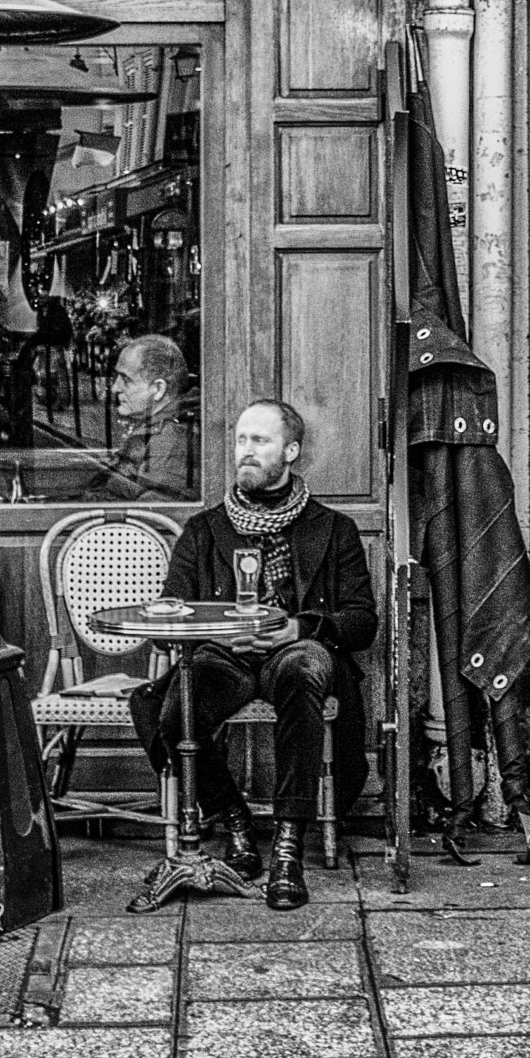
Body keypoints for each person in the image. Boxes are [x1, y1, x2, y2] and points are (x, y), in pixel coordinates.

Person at [129, 399, 377, 910]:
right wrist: (216, 633)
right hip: (228, 656)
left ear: (290, 451)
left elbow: (362, 622)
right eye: (241, 440)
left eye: (259, 441)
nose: (246, 451)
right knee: (177, 712)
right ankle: (236, 822)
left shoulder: (334, 530)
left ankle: (288, 848)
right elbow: (170, 613)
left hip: (295, 652)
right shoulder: (204, 531)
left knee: (306, 668)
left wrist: (296, 628)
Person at [90, 334, 197, 501]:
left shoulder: (168, 441)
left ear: (158, 388)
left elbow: (155, 516)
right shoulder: (155, 429)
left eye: (126, 379)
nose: (115, 388)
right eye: (116, 377)